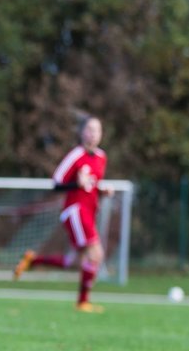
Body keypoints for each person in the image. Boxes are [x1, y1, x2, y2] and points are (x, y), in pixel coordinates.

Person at [13, 115, 114, 312]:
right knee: (96, 254)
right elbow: (56, 184)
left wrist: (102, 191)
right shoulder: (75, 155)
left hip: (89, 211)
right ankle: (83, 302)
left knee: (74, 261)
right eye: (90, 130)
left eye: (97, 130)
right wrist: (76, 183)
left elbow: (91, 186)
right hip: (75, 211)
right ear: (82, 132)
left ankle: (32, 260)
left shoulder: (102, 157)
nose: (93, 134)